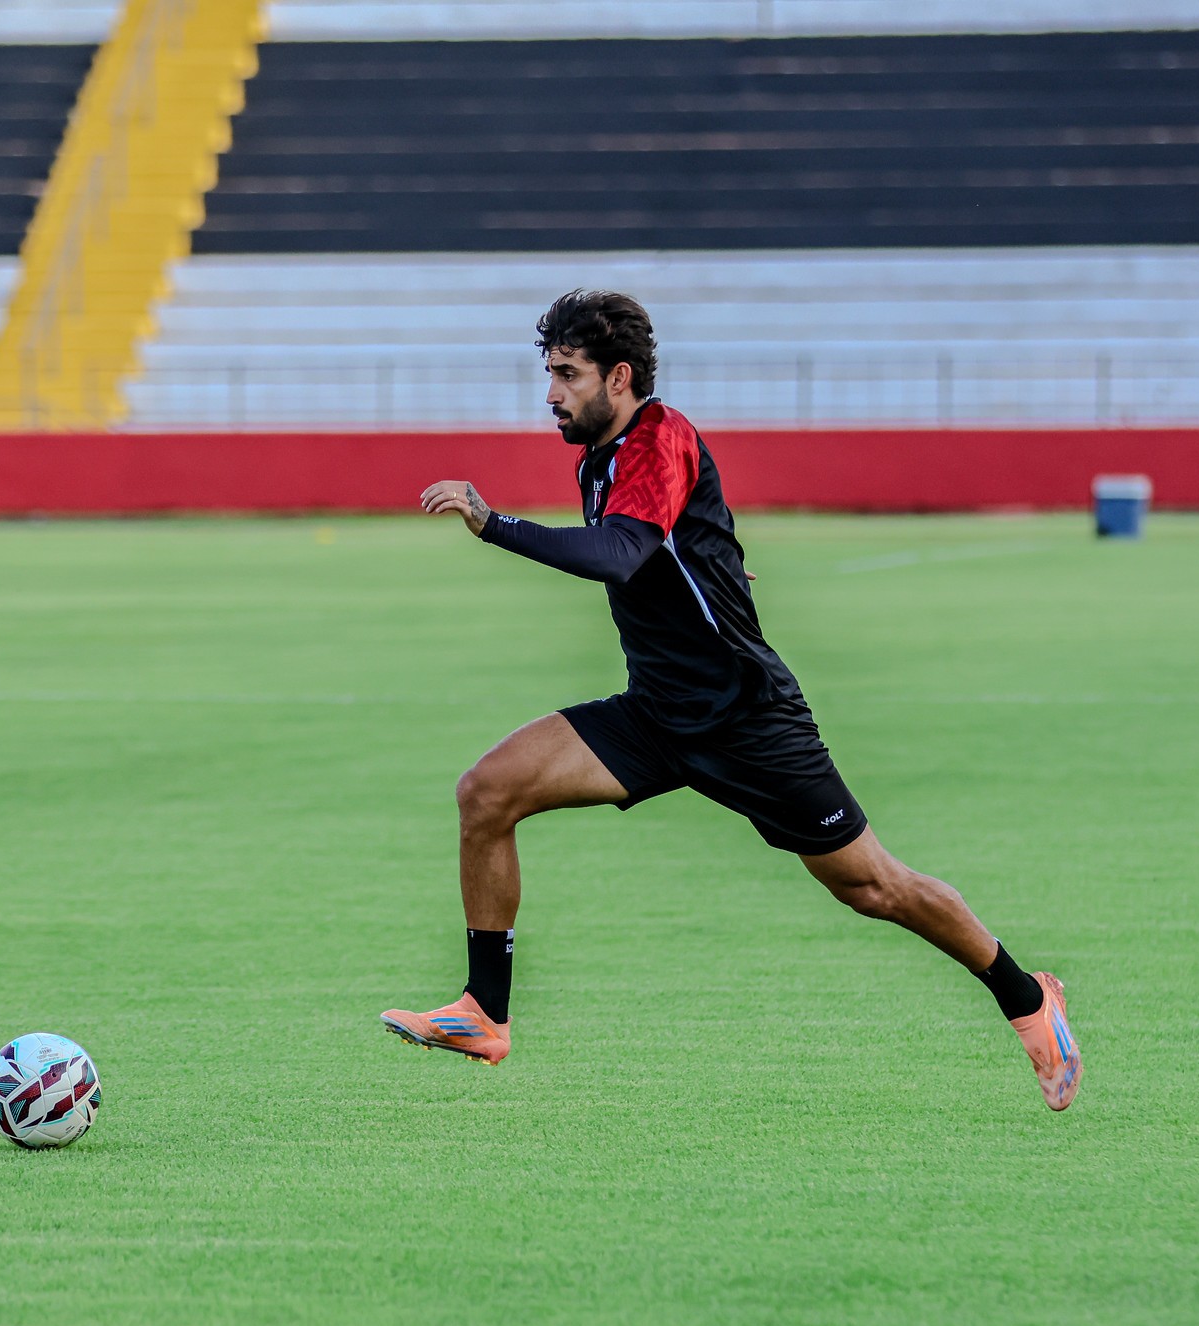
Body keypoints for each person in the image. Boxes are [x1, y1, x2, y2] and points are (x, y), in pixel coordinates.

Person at [381, 290, 1082, 1110]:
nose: (552, 394)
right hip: (657, 714)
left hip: (748, 719)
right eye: (549, 375)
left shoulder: (661, 435)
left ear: (619, 376)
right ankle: (483, 1011)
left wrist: (492, 521)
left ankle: (1027, 997)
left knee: (872, 888)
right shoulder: (598, 459)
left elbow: (621, 552)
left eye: (567, 376)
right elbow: (689, 541)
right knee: (486, 791)